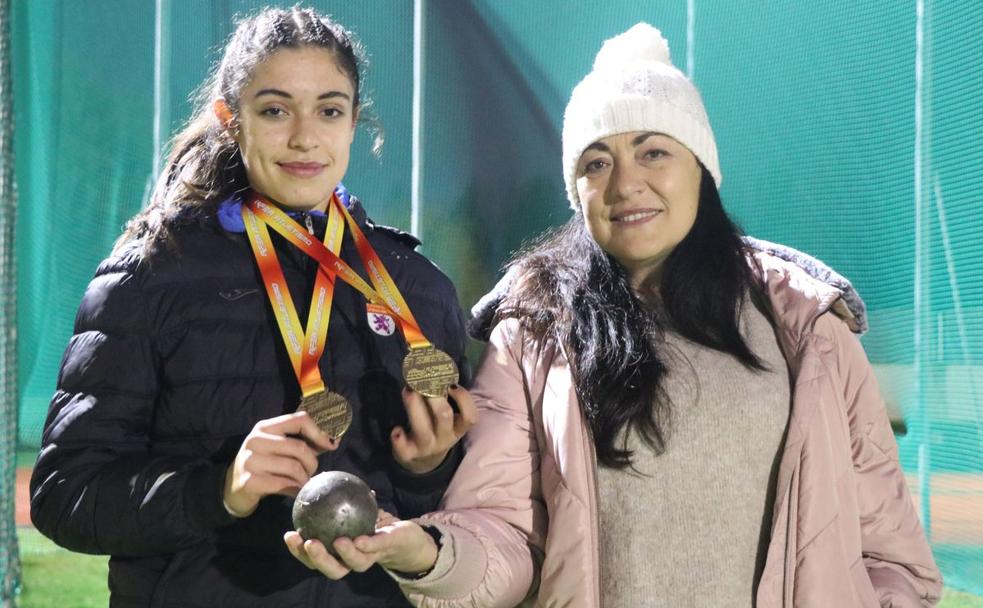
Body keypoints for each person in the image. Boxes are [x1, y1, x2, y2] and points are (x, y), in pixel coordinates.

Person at [287, 23, 943, 608]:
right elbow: (503, 533)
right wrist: (421, 553)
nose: (625, 183)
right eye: (596, 163)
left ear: (701, 168)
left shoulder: (808, 328)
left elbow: (890, 560)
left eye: (652, 150)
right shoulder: (533, 336)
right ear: (577, 193)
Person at [29, 7, 475, 607]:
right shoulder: (150, 275)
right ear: (230, 120)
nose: (304, 137)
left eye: (329, 110)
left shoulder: (417, 290)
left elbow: (466, 516)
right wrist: (220, 492)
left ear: (353, 123)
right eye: (273, 110)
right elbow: (65, 495)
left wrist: (431, 467)